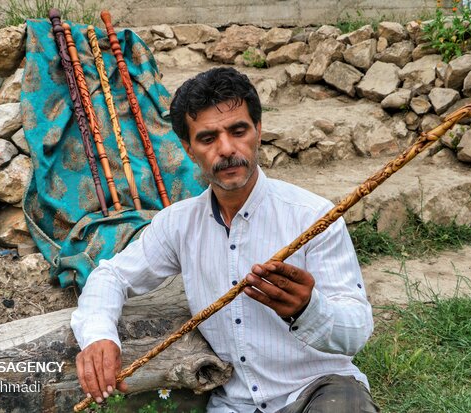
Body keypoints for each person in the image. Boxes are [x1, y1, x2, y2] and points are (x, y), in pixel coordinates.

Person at [71, 67, 379, 413]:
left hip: (319, 391)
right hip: (236, 405)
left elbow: (357, 330)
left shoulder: (314, 217)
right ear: (189, 149)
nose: (227, 149)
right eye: (207, 138)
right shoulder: (179, 224)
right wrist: (99, 336)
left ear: (258, 131)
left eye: (238, 130)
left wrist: (309, 309)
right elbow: (111, 275)